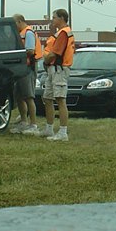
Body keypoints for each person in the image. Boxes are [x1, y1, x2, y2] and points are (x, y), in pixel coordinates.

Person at [41, 9, 74, 141]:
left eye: (54, 18)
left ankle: (62, 132)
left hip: (58, 70)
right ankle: (49, 129)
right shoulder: (61, 33)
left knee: (60, 99)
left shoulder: (63, 33)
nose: (52, 20)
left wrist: (46, 60)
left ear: (61, 18)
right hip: (52, 69)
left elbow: (55, 53)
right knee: (47, 99)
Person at [9, 14, 41, 136]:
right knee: (19, 96)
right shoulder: (20, 33)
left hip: (27, 68)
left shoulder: (28, 33)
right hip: (20, 68)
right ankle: (23, 122)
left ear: (19, 21)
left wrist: (16, 54)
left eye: (14, 24)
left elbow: (30, 51)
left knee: (28, 96)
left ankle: (33, 125)